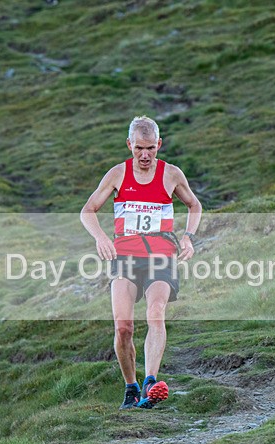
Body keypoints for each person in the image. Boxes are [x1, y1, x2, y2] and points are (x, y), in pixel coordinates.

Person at [80, 116, 202, 409]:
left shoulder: (171, 174)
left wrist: (187, 237)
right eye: (138, 149)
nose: (145, 155)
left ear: (159, 144)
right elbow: (88, 211)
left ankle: (150, 381)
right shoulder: (117, 174)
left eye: (150, 148)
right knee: (123, 328)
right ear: (129, 145)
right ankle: (131, 387)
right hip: (125, 256)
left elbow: (194, 205)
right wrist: (101, 238)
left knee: (156, 312)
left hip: (161, 254)